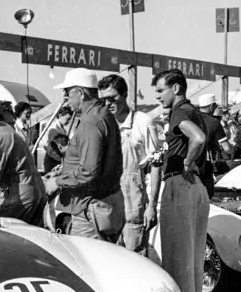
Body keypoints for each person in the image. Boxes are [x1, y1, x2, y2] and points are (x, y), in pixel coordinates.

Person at [152, 68, 209, 292]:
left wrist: (186, 162)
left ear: (175, 88)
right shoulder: (193, 110)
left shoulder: (179, 112)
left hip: (179, 182)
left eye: (161, 90)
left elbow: (197, 138)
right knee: (194, 256)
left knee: (177, 255)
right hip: (196, 187)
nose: (158, 96)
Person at [43, 69, 124, 242]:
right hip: (105, 202)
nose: (65, 98)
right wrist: (61, 172)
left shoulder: (90, 122)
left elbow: (88, 171)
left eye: (67, 92)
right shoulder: (104, 114)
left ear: (80, 92)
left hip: (90, 208)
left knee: (88, 261)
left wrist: (56, 182)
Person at [98, 74, 163, 253]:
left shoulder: (143, 122)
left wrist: (151, 207)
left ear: (125, 94)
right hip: (108, 206)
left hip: (134, 204)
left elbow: (156, 165)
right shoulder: (103, 124)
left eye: (112, 98)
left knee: (136, 257)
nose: (108, 104)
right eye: (104, 100)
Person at [197, 93, 223, 198]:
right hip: (205, 164)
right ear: (211, 106)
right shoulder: (214, 122)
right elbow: (226, 147)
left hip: (188, 164)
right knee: (207, 195)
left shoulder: (190, 118)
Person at [41, 106, 74, 173]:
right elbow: (50, 149)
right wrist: (61, 160)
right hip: (52, 161)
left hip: (57, 159)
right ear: (60, 116)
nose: (69, 121)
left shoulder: (62, 129)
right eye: (67, 119)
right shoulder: (53, 129)